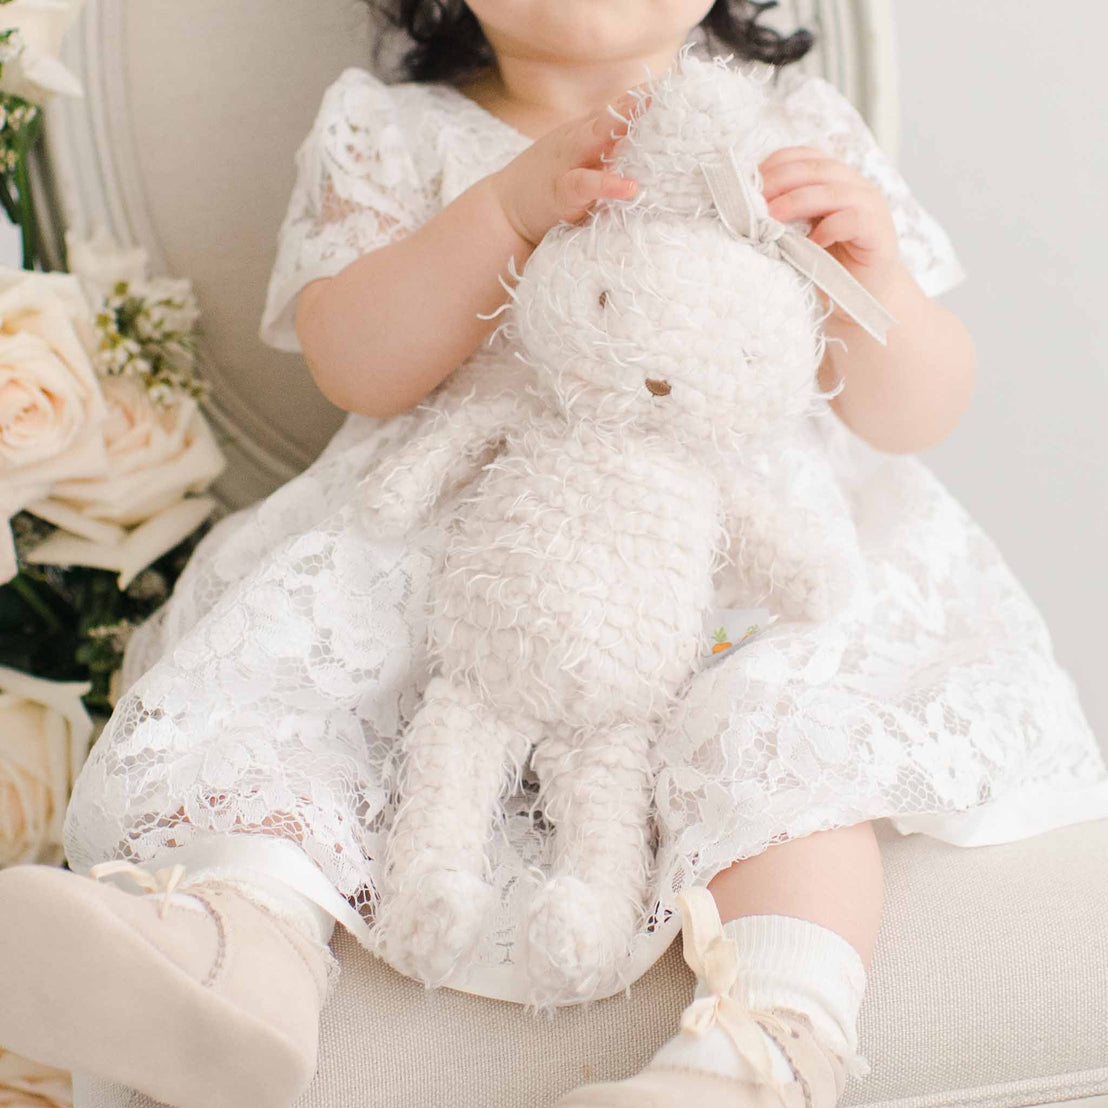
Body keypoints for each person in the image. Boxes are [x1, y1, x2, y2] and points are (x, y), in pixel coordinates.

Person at [2, 2, 1107, 1107]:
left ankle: (771, 1037)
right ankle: (238, 950)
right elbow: (356, 364)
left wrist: (877, 284)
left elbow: (913, 411)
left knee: (787, 727)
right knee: (294, 694)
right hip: (459, 557)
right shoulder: (391, 127)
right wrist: (500, 210)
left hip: (726, 557)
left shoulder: (792, 128)